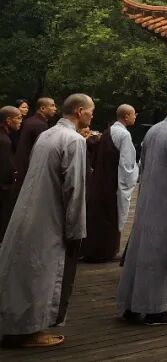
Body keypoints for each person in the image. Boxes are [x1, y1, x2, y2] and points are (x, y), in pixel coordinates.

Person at [0, 93, 93, 349]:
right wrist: (76, 229)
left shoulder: (48, 134)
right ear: (80, 111)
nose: (92, 116)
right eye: (91, 111)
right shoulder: (74, 140)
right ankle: (28, 331)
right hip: (50, 215)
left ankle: (15, 324)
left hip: (29, 208)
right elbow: (74, 188)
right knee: (41, 274)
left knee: (23, 270)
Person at [116, 90, 167, 326]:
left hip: (147, 202)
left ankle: (132, 306)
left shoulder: (153, 130)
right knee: (161, 257)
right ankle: (155, 309)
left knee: (140, 256)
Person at [81, 104, 139, 262]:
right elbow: (127, 165)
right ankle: (105, 252)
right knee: (110, 217)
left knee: (99, 216)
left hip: (101, 179)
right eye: (134, 114)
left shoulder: (109, 131)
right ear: (126, 116)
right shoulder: (124, 135)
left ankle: (94, 250)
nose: (135, 117)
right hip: (113, 182)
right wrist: (130, 181)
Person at [12, 97, 57, 191]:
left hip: (20, 166)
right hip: (28, 169)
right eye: (52, 105)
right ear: (42, 108)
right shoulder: (39, 124)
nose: (55, 108)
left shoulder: (31, 121)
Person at [0, 105, 22, 243]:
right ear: (8, 120)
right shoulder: (4, 141)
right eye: (18, 118)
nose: (21, 121)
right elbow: (4, 169)